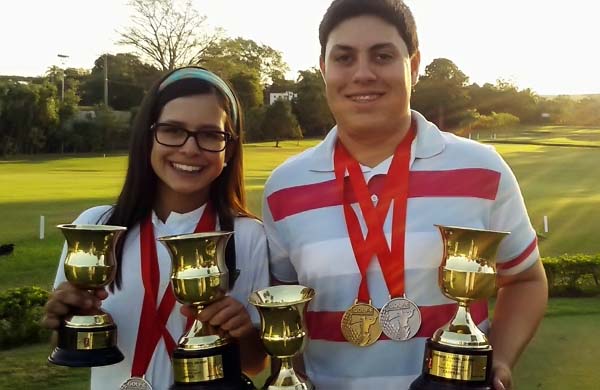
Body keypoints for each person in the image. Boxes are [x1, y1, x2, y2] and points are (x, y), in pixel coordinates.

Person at [262, 1, 548, 389]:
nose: (362, 74)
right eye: (344, 57)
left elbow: (526, 280)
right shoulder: (284, 187)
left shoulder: (483, 169)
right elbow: (285, 307)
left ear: (412, 65)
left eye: (382, 55)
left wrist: (500, 358)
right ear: (324, 67)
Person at [42, 66, 269, 389]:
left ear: (229, 149)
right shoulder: (96, 226)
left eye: (210, 134)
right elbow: (66, 344)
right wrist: (63, 321)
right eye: (173, 130)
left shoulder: (247, 236)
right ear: (149, 136)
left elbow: (254, 364)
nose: (190, 149)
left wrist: (241, 331)